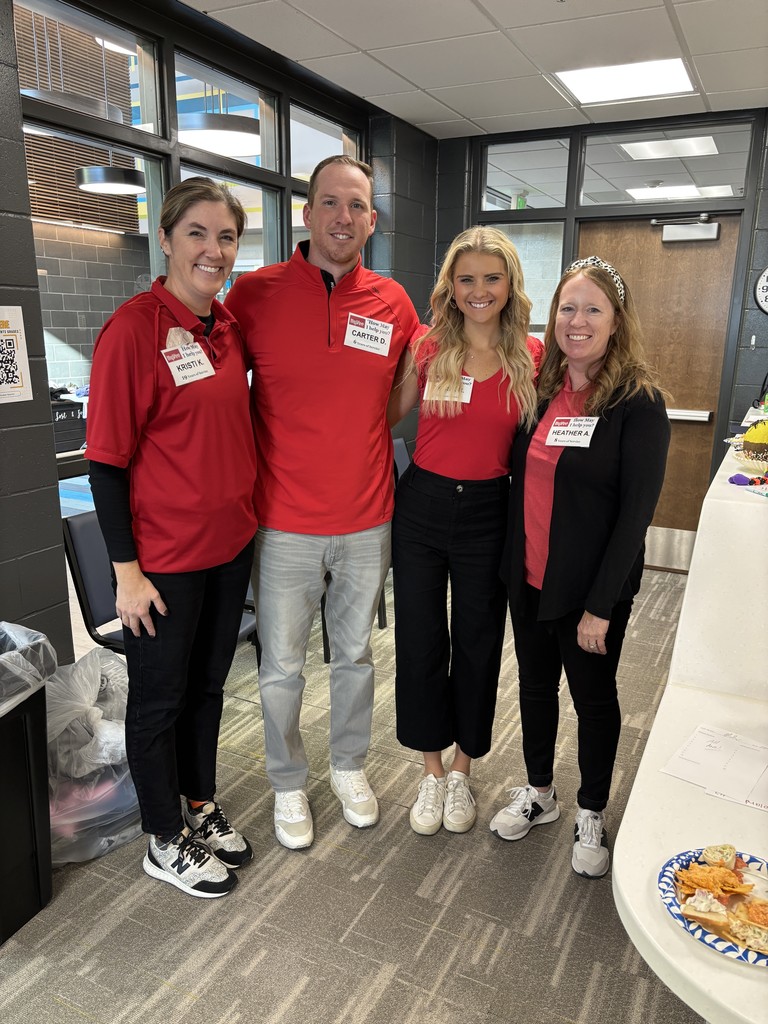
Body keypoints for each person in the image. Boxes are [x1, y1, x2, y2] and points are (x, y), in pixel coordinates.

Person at [225, 156, 419, 850]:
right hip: (282, 522)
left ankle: (347, 766)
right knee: (280, 665)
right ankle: (286, 782)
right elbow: (218, 381)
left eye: (358, 206)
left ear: (372, 219)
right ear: (306, 213)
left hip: (368, 517)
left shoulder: (394, 301)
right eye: (331, 203)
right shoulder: (255, 293)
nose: (344, 217)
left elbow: (400, 395)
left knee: (356, 656)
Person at [85, 177, 258, 898]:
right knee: (160, 699)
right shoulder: (135, 329)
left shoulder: (225, 328)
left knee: (208, 689)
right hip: (163, 563)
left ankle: (198, 803)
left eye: (225, 237)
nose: (212, 250)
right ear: (165, 238)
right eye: (197, 233)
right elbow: (105, 465)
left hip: (229, 548)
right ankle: (162, 837)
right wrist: (126, 572)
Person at [489, 256, 670, 878]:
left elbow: (634, 514)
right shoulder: (541, 387)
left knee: (594, 700)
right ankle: (540, 790)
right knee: (536, 689)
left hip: (590, 591)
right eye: (568, 307)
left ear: (617, 322)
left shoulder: (637, 402)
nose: (578, 320)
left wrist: (601, 604)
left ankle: (592, 807)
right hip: (531, 578)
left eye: (593, 308)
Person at [387, 227, 542, 835]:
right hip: (421, 506)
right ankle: (429, 772)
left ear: (509, 286)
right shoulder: (427, 348)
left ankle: (462, 769)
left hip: (489, 511)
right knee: (421, 640)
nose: (479, 291)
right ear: (450, 286)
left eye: (492, 278)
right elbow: (383, 413)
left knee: (478, 641)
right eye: (467, 278)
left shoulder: (532, 355)